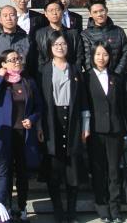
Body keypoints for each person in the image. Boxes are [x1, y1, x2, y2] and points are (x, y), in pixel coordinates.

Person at [38, 30, 89, 223]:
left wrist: (86, 125)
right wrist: (39, 126)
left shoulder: (75, 69)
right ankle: (58, 212)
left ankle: (71, 212)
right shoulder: (44, 70)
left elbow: (83, 100)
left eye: (63, 44)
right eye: (56, 44)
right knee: (54, 170)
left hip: (73, 119)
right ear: (50, 48)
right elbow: (39, 101)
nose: (60, 47)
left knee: (72, 170)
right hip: (52, 120)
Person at [0, 49, 41, 220]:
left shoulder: (28, 81)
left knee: (22, 172)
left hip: (23, 133)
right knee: (6, 172)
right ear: (3, 64)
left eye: (18, 58)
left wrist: (32, 119)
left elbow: (38, 106)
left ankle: (22, 206)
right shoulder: (1, 82)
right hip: (5, 133)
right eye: (12, 59)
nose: (17, 61)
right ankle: (8, 206)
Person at [85, 42, 126, 223]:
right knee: (99, 171)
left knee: (114, 171)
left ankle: (115, 208)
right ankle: (102, 208)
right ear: (93, 56)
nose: (101, 58)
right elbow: (84, 105)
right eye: (98, 54)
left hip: (115, 130)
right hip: (95, 131)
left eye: (105, 54)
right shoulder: (86, 77)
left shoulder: (116, 78)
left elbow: (123, 105)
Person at [28, 0, 81, 73]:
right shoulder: (39, 34)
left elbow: (79, 57)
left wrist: (75, 73)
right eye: (51, 10)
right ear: (46, 14)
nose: (54, 13)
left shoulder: (73, 34)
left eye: (57, 10)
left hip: (69, 72)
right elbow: (38, 58)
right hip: (46, 73)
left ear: (63, 12)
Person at [80, 0, 127, 75]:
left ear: (106, 10)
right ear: (90, 14)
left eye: (101, 11)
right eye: (95, 12)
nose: (99, 14)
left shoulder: (119, 31)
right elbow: (87, 60)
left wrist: (116, 75)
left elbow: (125, 55)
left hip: (117, 77)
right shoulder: (85, 34)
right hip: (96, 78)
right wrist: (96, 76)